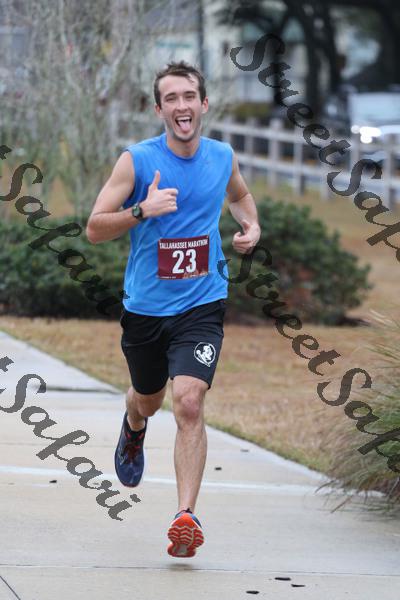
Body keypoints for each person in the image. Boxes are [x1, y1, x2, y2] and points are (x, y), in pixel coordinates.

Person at [86, 60, 261, 558]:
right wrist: (143, 209)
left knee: (188, 401)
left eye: (189, 96)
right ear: (158, 108)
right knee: (149, 398)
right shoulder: (137, 161)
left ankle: (186, 516)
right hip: (146, 308)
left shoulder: (222, 156)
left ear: (203, 104)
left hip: (202, 302)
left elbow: (240, 196)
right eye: (171, 99)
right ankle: (134, 424)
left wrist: (251, 226)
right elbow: (95, 228)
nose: (181, 106)